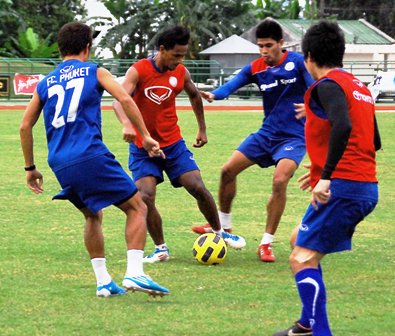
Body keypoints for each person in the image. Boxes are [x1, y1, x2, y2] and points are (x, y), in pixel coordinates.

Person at [19, 22, 170, 298]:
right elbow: (125, 98)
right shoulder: (94, 70)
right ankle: (135, 272)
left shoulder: (46, 82)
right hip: (88, 153)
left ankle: (103, 282)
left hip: (59, 161)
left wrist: (30, 168)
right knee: (137, 206)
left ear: (61, 48)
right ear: (88, 47)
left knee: (92, 213)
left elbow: (25, 126)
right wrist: (145, 136)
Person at [273, 20, 381, 336]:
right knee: (298, 240)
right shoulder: (358, 87)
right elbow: (371, 140)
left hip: (344, 187)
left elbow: (343, 127)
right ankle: (308, 324)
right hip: (362, 185)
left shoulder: (327, 86)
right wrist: (321, 166)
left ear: (308, 56)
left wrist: (329, 176)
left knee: (301, 258)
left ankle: (317, 331)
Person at [113, 25, 246, 263]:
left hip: (173, 144)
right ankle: (160, 248)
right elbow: (118, 101)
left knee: (196, 186)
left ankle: (220, 233)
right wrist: (127, 125)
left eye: (183, 54)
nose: (180, 60)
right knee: (145, 195)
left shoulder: (181, 72)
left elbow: (194, 95)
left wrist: (202, 129)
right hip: (143, 148)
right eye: (176, 55)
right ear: (162, 50)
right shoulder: (139, 70)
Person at [192, 18, 314, 262]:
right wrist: (213, 94)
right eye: (260, 46)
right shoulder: (256, 67)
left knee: (280, 180)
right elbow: (231, 86)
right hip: (266, 134)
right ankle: (224, 227)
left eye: (268, 45)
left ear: (281, 43)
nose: (264, 51)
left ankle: (266, 243)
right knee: (227, 170)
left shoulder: (298, 63)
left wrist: (312, 105)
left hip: (294, 137)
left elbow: (315, 88)